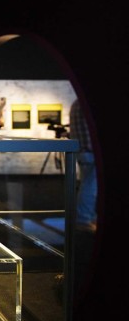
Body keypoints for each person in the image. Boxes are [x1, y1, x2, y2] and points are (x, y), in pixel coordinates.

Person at [69, 99, 97, 233]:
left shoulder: (77, 104)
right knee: (90, 186)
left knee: (88, 185)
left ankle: (88, 217)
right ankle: (83, 219)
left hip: (83, 151)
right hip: (90, 151)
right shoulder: (84, 104)